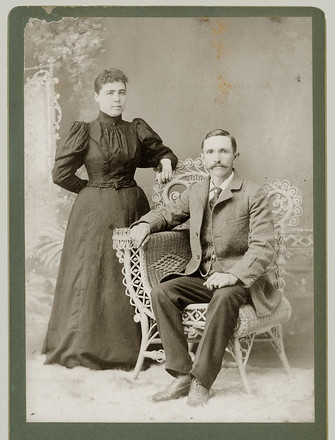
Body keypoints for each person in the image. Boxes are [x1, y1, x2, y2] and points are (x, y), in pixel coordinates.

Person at [130, 129, 282, 406]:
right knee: (162, 292)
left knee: (224, 296)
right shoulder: (197, 191)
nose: (217, 158)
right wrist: (144, 224)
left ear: (235, 156)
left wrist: (232, 275)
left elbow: (263, 247)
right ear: (202, 158)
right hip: (204, 277)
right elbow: (167, 214)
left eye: (223, 151)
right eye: (211, 152)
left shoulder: (252, 194)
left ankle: (202, 381)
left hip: (242, 282)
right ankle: (181, 375)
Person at [42, 68, 178, 370]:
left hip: (132, 207)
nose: (117, 99)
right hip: (94, 212)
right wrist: (92, 190)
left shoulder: (135, 129)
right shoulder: (85, 130)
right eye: (110, 93)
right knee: (93, 274)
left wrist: (166, 159)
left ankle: (134, 348)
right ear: (97, 97)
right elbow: (60, 174)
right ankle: (86, 347)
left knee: (129, 274)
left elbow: (159, 153)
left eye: (121, 92)